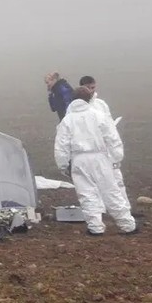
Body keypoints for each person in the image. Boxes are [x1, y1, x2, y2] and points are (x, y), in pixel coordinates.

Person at [54, 85, 136, 235]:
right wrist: (116, 157)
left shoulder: (67, 120)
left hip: (78, 160)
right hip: (100, 158)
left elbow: (61, 145)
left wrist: (63, 165)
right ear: (89, 98)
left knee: (86, 194)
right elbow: (112, 138)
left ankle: (95, 227)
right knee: (111, 191)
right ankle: (127, 225)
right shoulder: (99, 115)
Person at [79, 76, 126, 193]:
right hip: (88, 151)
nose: (91, 90)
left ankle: (123, 209)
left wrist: (116, 153)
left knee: (116, 181)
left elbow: (110, 128)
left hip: (105, 149)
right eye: (88, 88)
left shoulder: (101, 105)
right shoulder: (75, 108)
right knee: (92, 185)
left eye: (93, 87)